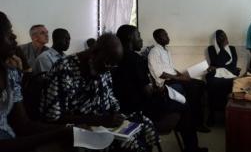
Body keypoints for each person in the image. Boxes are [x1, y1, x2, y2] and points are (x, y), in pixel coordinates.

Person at [40, 33, 159, 152]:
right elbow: (53, 116)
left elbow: (110, 98)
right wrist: (98, 120)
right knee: (130, 144)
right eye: (107, 64)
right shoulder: (64, 69)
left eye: (113, 66)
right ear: (94, 52)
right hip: (80, 128)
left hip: (104, 123)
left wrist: (116, 115)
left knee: (145, 124)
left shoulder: (103, 67)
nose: (108, 69)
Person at [113, 24, 208, 152]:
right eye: (139, 36)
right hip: (142, 109)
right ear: (130, 38)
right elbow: (148, 91)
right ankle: (192, 148)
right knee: (185, 106)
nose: (141, 40)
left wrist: (179, 77)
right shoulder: (136, 59)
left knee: (190, 89)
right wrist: (160, 89)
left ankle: (190, 136)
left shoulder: (116, 59)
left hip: (125, 107)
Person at [0, 11, 73, 152]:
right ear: (34, 37)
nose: (14, 36)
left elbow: (23, 123)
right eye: (8, 32)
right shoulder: (35, 54)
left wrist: (66, 129)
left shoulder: (10, 73)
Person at [148, 28, 210, 133]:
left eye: (167, 34)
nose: (168, 37)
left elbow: (171, 68)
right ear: (157, 38)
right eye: (164, 35)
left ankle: (195, 117)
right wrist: (180, 78)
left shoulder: (166, 50)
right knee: (194, 89)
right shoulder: (154, 52)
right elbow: (160, 74)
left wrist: (182, 75)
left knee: (201, 84)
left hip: (174, 78)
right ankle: (196, 123)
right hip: (166, 83)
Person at [206, 29, 240, 126]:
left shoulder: (232, 48)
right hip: (216, 74)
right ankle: (212, 115)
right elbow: (216, 62)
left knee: (231, 84)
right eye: (219, 36)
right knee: (212, 84)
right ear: (215, 39)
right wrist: (222, 49)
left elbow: (233, 65)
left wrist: (218, 67)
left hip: (230, 73)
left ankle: (229, 114)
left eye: (224, 35)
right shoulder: (211, 49)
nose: (222, 38)